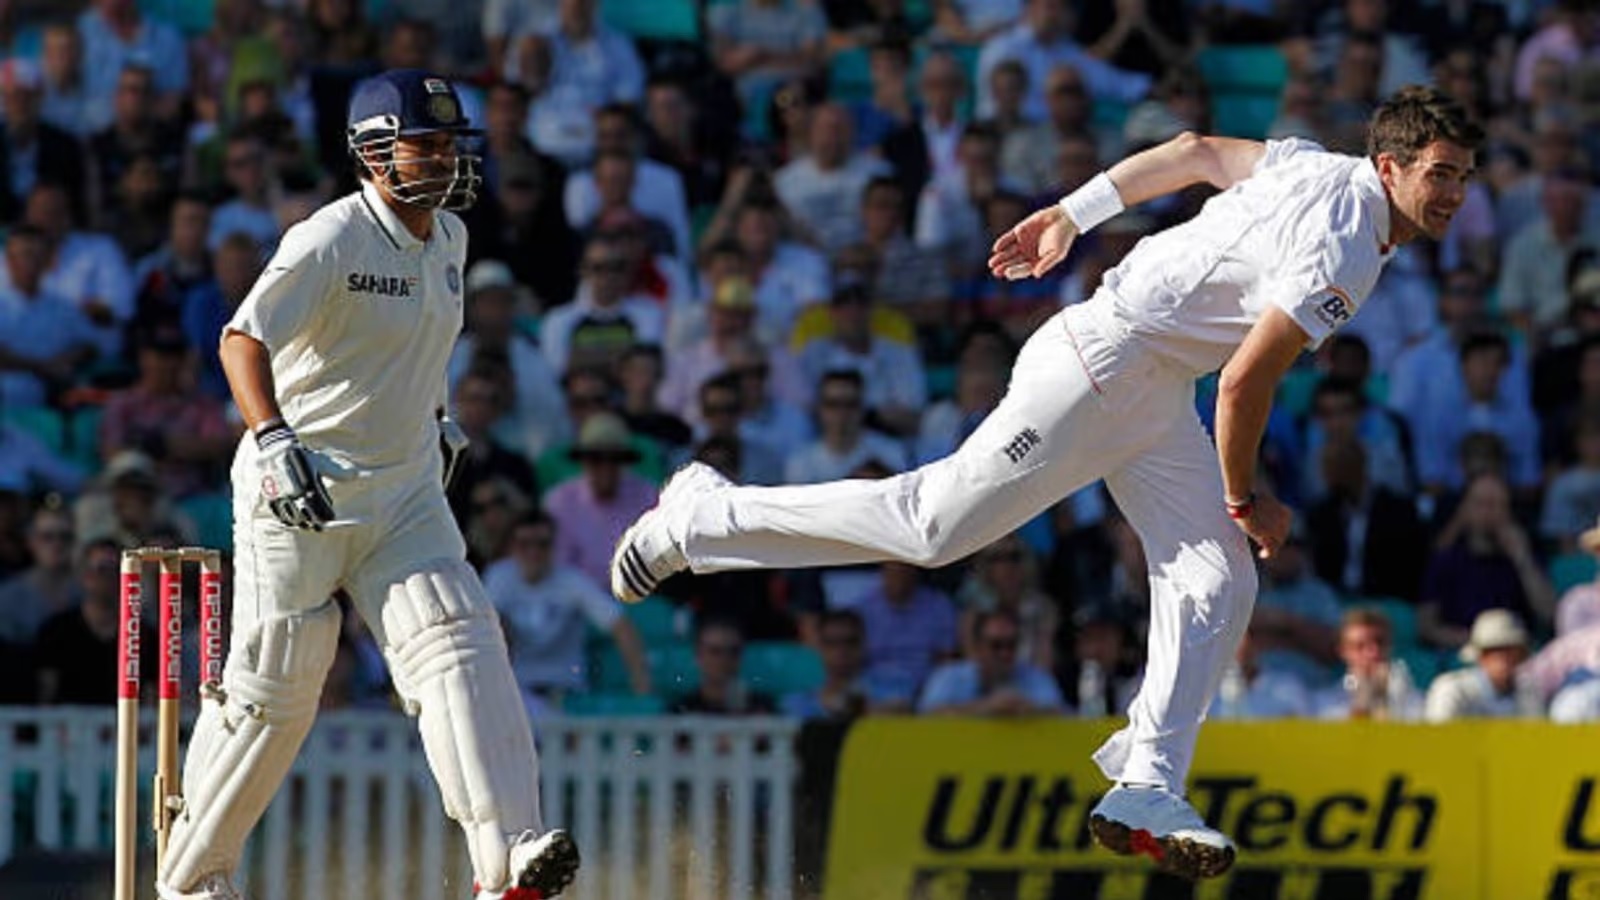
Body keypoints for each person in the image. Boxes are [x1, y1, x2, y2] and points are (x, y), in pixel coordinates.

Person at [611, 85, 1482, 880]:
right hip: (1103, 369)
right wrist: (1247, 496)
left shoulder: (1309, 163)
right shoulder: (1348, 245)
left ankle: (1147, 782)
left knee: (1218, 578)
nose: (1451, 195)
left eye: (1465, 178)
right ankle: (700, 517)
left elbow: (1193, 153)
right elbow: (1246, 383)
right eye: (1439, 174)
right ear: (1388, 166)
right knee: (932, 528)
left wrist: (1073, 212)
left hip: (1151, 387)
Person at [153, 70, 577, 900]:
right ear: (375, 152)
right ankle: (191, 882)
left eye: (454, 145)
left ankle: (509, 862)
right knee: (279, 683)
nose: (448, 160)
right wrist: (273, 439)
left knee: (457, 641)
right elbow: (241, 340)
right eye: (428, 144)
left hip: (406, 491)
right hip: (301, 491)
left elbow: (419, 344)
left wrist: (439, 416)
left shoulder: (449, 239)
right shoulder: (330, 238)